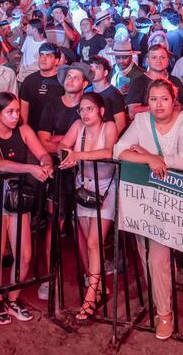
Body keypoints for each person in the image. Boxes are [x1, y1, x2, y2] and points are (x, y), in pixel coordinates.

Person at [113, 79, 183, 340]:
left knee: (156, 257)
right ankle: (164, 292)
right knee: (146, 250)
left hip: (171, 198)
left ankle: (165, 313)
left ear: (174, 100)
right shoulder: (141, 121)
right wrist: (149, 158)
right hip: (144, 196)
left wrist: (150, 156)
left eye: (164, 99)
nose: (158, 104)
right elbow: (119, 150)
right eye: (153, 99)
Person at [0, 92, 52, 325]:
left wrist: (46, 163)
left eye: (17, 111)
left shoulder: (25, 130)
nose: (15, 115)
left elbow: (42, 153)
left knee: (25, 254)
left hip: (18, 192)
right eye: (9, 111)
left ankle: (13, 298)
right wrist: (30, 169)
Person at [57, 92, 118, 322]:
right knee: (88, 241)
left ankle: (90, 298)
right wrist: (65, 155)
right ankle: (99, 287)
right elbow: (62, 144)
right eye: (81, 109)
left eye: (89, 109)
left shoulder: (109, 126)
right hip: (83, 186)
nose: (84, 113)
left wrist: (76, 155)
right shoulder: (77, 126)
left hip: (106, 188)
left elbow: (108, 152)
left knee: (94, 242)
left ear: (101, 111)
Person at [126, 45, 183, 120]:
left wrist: (181, 108)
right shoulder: (138, 82)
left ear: (168, 60)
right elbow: (132, 112)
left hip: (175, 127)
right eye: (154, 57)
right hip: (148, 129)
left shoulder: (175, 80)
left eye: (162, 57)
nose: (158, 60)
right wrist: (166, 108)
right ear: (148, 61)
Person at [18, 42, 63, 131]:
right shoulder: (28, 80)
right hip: (31, 133)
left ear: (56, 61)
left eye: (48, 56)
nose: (43, 59)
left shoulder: (63, 82)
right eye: (41, 55)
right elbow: (24, 111)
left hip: (54, 134)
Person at [88, 55, 127, 130]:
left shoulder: (114, 93)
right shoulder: (87, 91)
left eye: (97, 68)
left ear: (105, 73)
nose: (92, 70)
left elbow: (120, 123)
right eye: (91, 67)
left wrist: (109, 139)